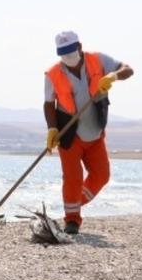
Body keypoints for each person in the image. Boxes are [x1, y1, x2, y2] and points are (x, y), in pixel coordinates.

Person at [43, 31, 135, 234]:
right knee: (72, 178)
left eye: (71, 53)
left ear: (80, 47)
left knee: (101, 175)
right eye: (63, 55)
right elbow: (49, 104)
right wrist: (52, 129)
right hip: (69, 134)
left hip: (95, 132)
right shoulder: (52, 74)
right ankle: (72, 220)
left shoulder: (98, 60)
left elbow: (128, 70)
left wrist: (113, 76)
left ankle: (75, 202)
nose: (68, 58)